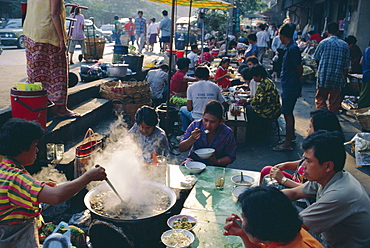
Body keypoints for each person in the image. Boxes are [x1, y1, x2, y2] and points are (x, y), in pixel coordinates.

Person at [0, 118, 107, 247]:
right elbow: (56, 196)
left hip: (35, 228)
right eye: (35, 145)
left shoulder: (6, 167)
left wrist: (47, 187)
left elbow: (50, 191)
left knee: (77, 234)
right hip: (17, 240)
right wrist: (88, 177)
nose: (37, 150)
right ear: (22, 148)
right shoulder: (15, 179)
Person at [283, 130, 370, 248]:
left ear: (328, 166)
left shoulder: (340, 194)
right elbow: (294, 193)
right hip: (328, 238)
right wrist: (261, 199)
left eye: (308, 161)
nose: (302, 166)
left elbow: (293, 226)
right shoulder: (327, 177)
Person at [23, 0, 80, 118]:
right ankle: (60, 108)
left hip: (31, 32)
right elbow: (54, 14)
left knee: (36, 73)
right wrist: (61, 39)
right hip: (48, 34)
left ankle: (41, 105)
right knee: (57, 73)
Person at [260, 109, 343, 186]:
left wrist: (283, 179)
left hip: (299, 190)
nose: (307, 130)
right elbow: (303, 162)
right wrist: (285, 165)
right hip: (296, 180)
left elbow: (307, 191)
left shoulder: (323, 159)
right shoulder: (314, 146)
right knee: (267, 170)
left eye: (310, 127)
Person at [223, 186, 324, 248]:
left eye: (244, 218)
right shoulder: (285, 232)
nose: (241, 221)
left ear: (261, 228)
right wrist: (245, 234)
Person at [178, 100, 236, 166]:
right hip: (194, 162)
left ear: (221, 121)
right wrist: (192, 139)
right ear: (202, 116)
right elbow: (181, 149)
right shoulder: (195, 125)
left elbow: (231, 156)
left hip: (216, 166)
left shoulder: (227, 133)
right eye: (205, 120)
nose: (208, 125)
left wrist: (217, 161)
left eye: (212, 122)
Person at [274, 23, 303, 152]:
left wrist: (297, 83)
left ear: (283, 35)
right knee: (288, 112)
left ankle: (288, 142)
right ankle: (290, 137)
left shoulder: (293, 49)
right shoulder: (290, 47)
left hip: (291, 85)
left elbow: (299, 68)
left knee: (287, 112)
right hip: (289, 84)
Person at [314, 22, 350, 114]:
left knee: (321, 98)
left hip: (324, 76)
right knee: (334, 102)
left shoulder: (323, 43)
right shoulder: (344, 45)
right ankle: (331, 120)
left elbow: (316, 57)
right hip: (337, 77)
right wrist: (344, 78)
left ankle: (322, 116)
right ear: (338, 31)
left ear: (327, 32)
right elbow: (346, 64)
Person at [179, 67, 225, 135]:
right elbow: (223, 103)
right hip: (212, 117)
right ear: (209, 77)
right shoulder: (215, 86)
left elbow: (189, 108)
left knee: (182, 109)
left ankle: (185, 132)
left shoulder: (191, 87)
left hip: (196, 117)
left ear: (196, 77)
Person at [245, 65, 281, 139]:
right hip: (275, 109)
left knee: (248, 109)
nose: (253, 78)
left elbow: (258, 101)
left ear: (259, 76)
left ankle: (253, 133)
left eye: (254, 76)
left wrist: (247, 101)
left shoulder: (262, 84)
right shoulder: (268, 80)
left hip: (268, 111)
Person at [358, 42, 370, 109]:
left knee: (364, 93)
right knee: (365, 95)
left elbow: (361, 62)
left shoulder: (366, 50)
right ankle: (361, 109)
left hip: (366, 74)